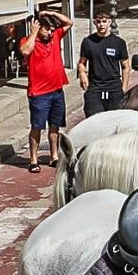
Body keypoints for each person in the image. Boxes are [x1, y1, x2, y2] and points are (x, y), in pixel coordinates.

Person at [20, 9, 71, 173]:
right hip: (39, 93)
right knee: (37, 127)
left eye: (51, 29)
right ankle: (33, 159)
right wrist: (34, 33)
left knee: (55, 126)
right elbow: (26, 51)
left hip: (57, 90)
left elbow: (69, 22)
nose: (50, 32)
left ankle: (54, 156)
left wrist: (51, 13)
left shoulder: (55, 37)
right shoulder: (28, 41)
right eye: (46, 29)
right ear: (37, 27)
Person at [77, 9, 129, 118]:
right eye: (99, 22)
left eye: (104, 21)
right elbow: (82, 63)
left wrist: (123, 88)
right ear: (95, 23)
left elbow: (125, 67)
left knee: (115, 121)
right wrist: (82, 75)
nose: (101, 25)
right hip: (95, 88)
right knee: (94, 121)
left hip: (114, 88)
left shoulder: (119, 43)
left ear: (109, 22)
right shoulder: (88, 42)